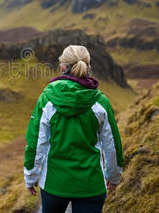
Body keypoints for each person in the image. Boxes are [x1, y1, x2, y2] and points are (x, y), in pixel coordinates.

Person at [23, 45, 124, 213]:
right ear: (88, 67)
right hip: (91, 185)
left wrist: (30, 177)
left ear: (62, 67)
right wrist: (114, 176)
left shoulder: (46, 100)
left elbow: (36, 142)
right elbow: (111, 144)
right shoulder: (101, 102)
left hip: (54, 184)